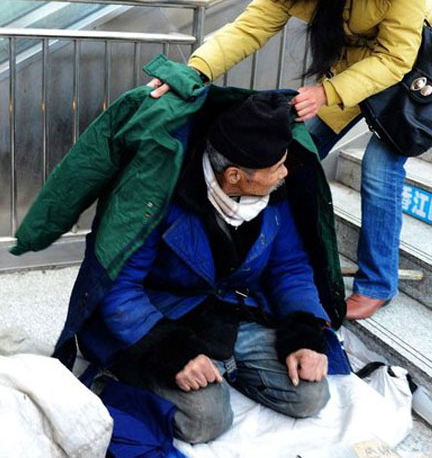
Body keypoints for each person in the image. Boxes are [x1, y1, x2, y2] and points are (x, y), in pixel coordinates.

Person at [148, 0, 432, 320]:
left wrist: (328, 92)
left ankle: (377, 283)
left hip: (417, 75)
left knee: (379, 167)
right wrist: (195, 70)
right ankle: (281, 257)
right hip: (356, 68)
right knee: (298, 148)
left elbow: (395, 56)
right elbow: (248, 29)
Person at [76, 92, 344, 443]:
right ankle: (135, 370)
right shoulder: (159, 193)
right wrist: (170, 353)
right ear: (234, 175)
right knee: (206, 421)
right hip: (165, 317)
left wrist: (306, 335)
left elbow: (290, 268)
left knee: (310, 396)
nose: (285, 171)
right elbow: (119, 287)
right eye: (276, 167)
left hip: (234, 313)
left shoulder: (275, 196)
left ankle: (224, 367)